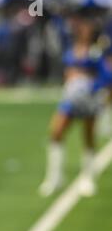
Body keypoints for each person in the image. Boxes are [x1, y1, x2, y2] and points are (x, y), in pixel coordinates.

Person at [39, 15, 102, 198]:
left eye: (87, 28)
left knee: (88, 137)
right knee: (56, 133)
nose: (83, 30)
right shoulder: (70, 47)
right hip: (70, 98)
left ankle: (88, 178)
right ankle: (55, 177)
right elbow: (57, 23)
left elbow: (105, 76)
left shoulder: (95, 52)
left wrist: (90, 85)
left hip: (88, 98)